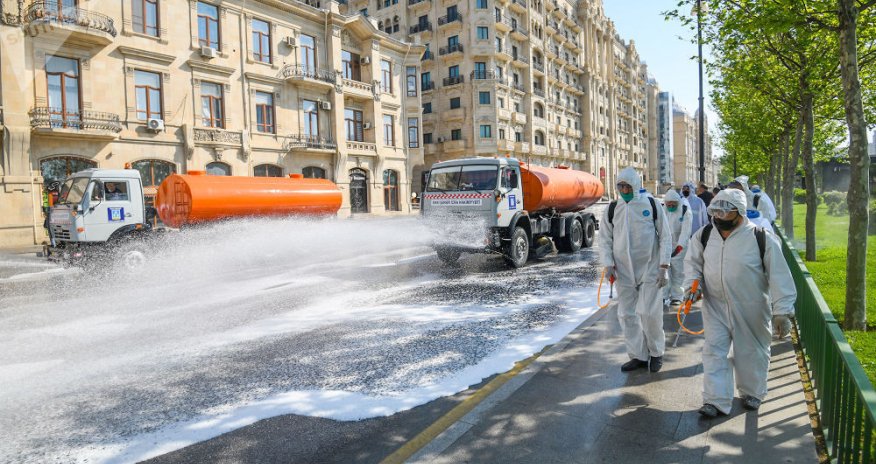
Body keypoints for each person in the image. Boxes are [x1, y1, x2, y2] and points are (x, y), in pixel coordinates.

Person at [683, 189, 797, 417]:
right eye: (717, 211)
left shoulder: (760, 237)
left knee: (751, 351)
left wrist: (782, 311)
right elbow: (693, 263)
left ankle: (753, 392)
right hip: (715, 306)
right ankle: (715, 400)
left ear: (740, 212)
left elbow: (779, 275)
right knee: (714, 351)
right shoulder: (704, 235)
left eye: (726, 212)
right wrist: (692, 286)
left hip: (752, 307)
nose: (720, 217)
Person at [598, 167, 673, 373]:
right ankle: (638, 355)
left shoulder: (651, 205)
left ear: (636, 185)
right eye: (620, 186)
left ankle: (656, 352)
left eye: (627, 186)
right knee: (626, 315)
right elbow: (604, 239)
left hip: (650, 268)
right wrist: (608, 264)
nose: (623, 189)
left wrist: (663, 266)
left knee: (649, 313)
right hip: (623, 271)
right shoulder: (613, 208)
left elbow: (665, 236)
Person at [662, 189, 692, 306]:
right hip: (665, 246)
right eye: (668, 204)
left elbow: (685, 232)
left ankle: (677, 296)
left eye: (673, 205)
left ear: (677, 203)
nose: (670, 206)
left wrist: (679, 247)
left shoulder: (684, 211)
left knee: (678, 272)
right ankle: (663, 295)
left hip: (680, 248)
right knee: (664, 271)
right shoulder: (663, 211)